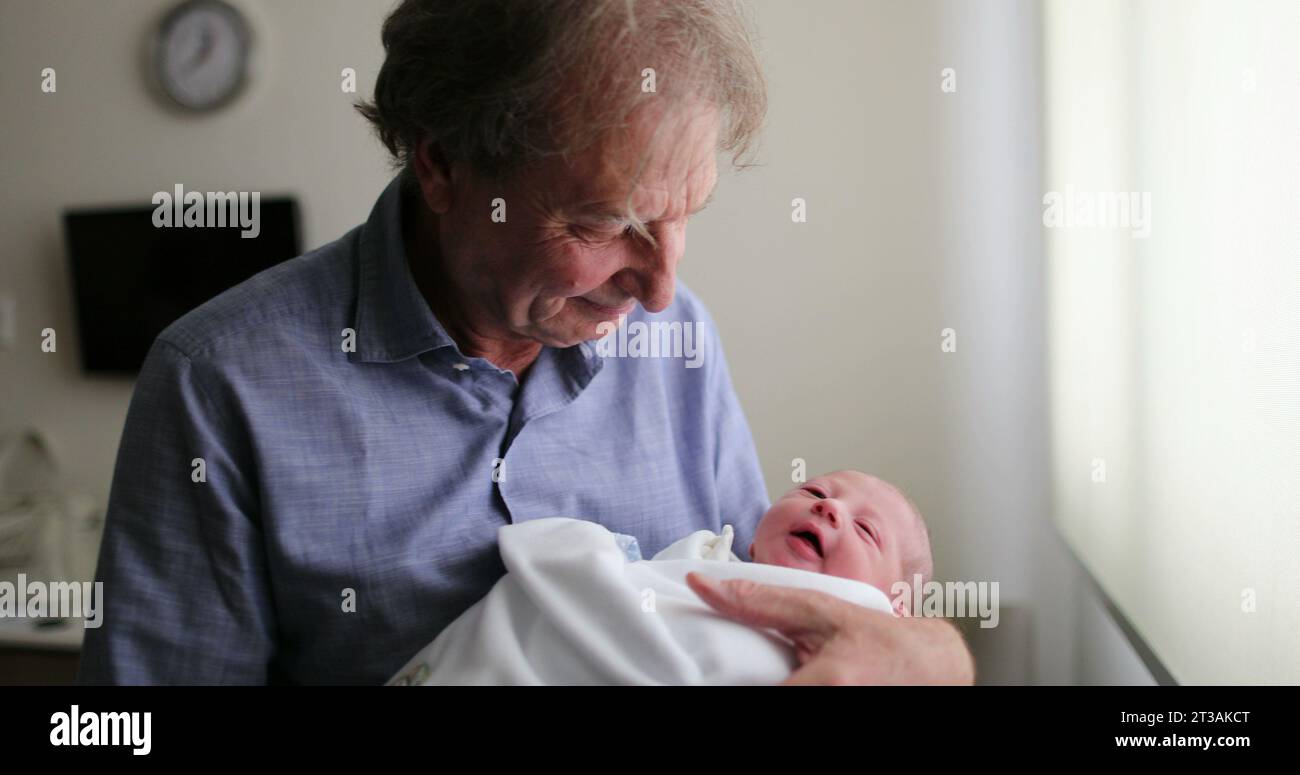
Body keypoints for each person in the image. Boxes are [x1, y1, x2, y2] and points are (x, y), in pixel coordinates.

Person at [78, 0, 972, 685]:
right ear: (441, 163)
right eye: (605, 221)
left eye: (680, 216)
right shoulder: (220, 384)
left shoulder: (676, 339)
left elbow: (771, 607)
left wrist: (937, 654)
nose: (659, 286)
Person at [387, 470, 938, 685]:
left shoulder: (875, 637)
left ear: (896, 609)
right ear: (750, 545)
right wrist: (608, 559)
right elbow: (639, 584)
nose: (829, 510)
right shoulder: (705, 556)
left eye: (866, 532)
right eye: (815, 493)